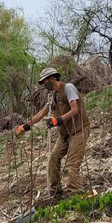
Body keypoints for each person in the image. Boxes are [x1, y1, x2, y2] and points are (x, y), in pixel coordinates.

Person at [16, 67, 91, 197]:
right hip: (65, 134)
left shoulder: (68, 88)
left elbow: (75, 110)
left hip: (79, 131)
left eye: (45, 82)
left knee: (72, 163)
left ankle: (74, 193)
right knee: (53, 158)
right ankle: (55, 190)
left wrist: (57, 120)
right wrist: (25, 126)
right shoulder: (53, 96)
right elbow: (41, 113)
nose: (44, 85)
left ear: (52, 78)